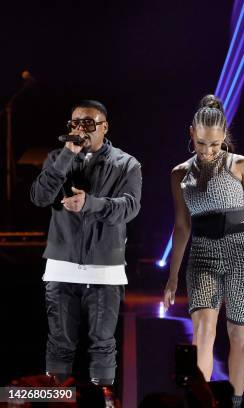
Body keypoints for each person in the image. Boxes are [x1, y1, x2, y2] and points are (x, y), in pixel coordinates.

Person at [162, 95, 244, 408]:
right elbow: (181, 225)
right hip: (202, 253)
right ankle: (201, 402)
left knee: (239, 333)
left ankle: (236, 402)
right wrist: (173, 276)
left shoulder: (240, 165)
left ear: (225, 136)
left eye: (215, 145)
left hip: (243, 254)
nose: (208, 151)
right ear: (191, 133)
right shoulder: (179, 174)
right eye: (202, 143)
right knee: (203, 329)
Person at [31, 100, 142, 386]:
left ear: (104, 126)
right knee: (59, 342)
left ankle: (104, 398)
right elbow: (40, 197)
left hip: (104, 268)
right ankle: (56, 401)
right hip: (61, 265)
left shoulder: (126, 164)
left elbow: (129, 207)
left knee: (103, 342)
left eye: (89, 123)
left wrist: (89, 203)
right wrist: (67, 156)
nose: (81, 129)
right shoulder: (58, 158)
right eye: (75, 123)